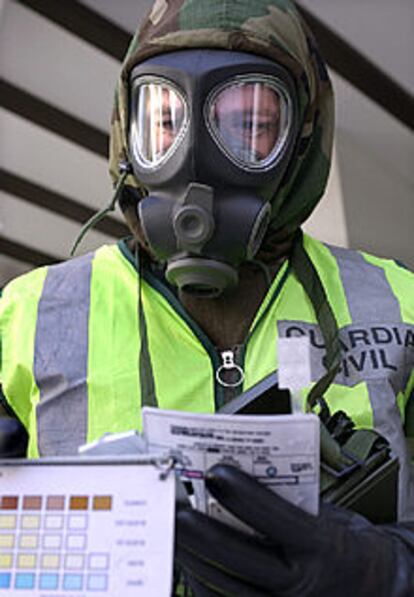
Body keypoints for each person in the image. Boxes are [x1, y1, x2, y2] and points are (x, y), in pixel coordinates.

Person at [0, 0, 413, 594]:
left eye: (249, 127)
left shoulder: (399, 306)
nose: (197, 159)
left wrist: (390, 568)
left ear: (300, 139)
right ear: (128, 130)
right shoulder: (24, 318)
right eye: (166, 124)